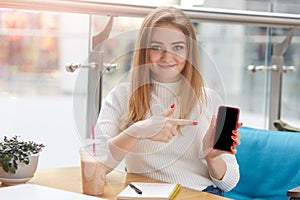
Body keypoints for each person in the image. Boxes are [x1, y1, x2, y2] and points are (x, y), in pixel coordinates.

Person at [94, 6, 242, 196]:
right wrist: (137, 131)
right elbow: (95, 167)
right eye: (156, 48)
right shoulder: (121, 95)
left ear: (189, 52)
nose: (167, 57)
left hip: (199, 193)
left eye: (178, 47)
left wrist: (212, 157)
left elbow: (229, 183)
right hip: (142, 194)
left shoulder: (209, 99)